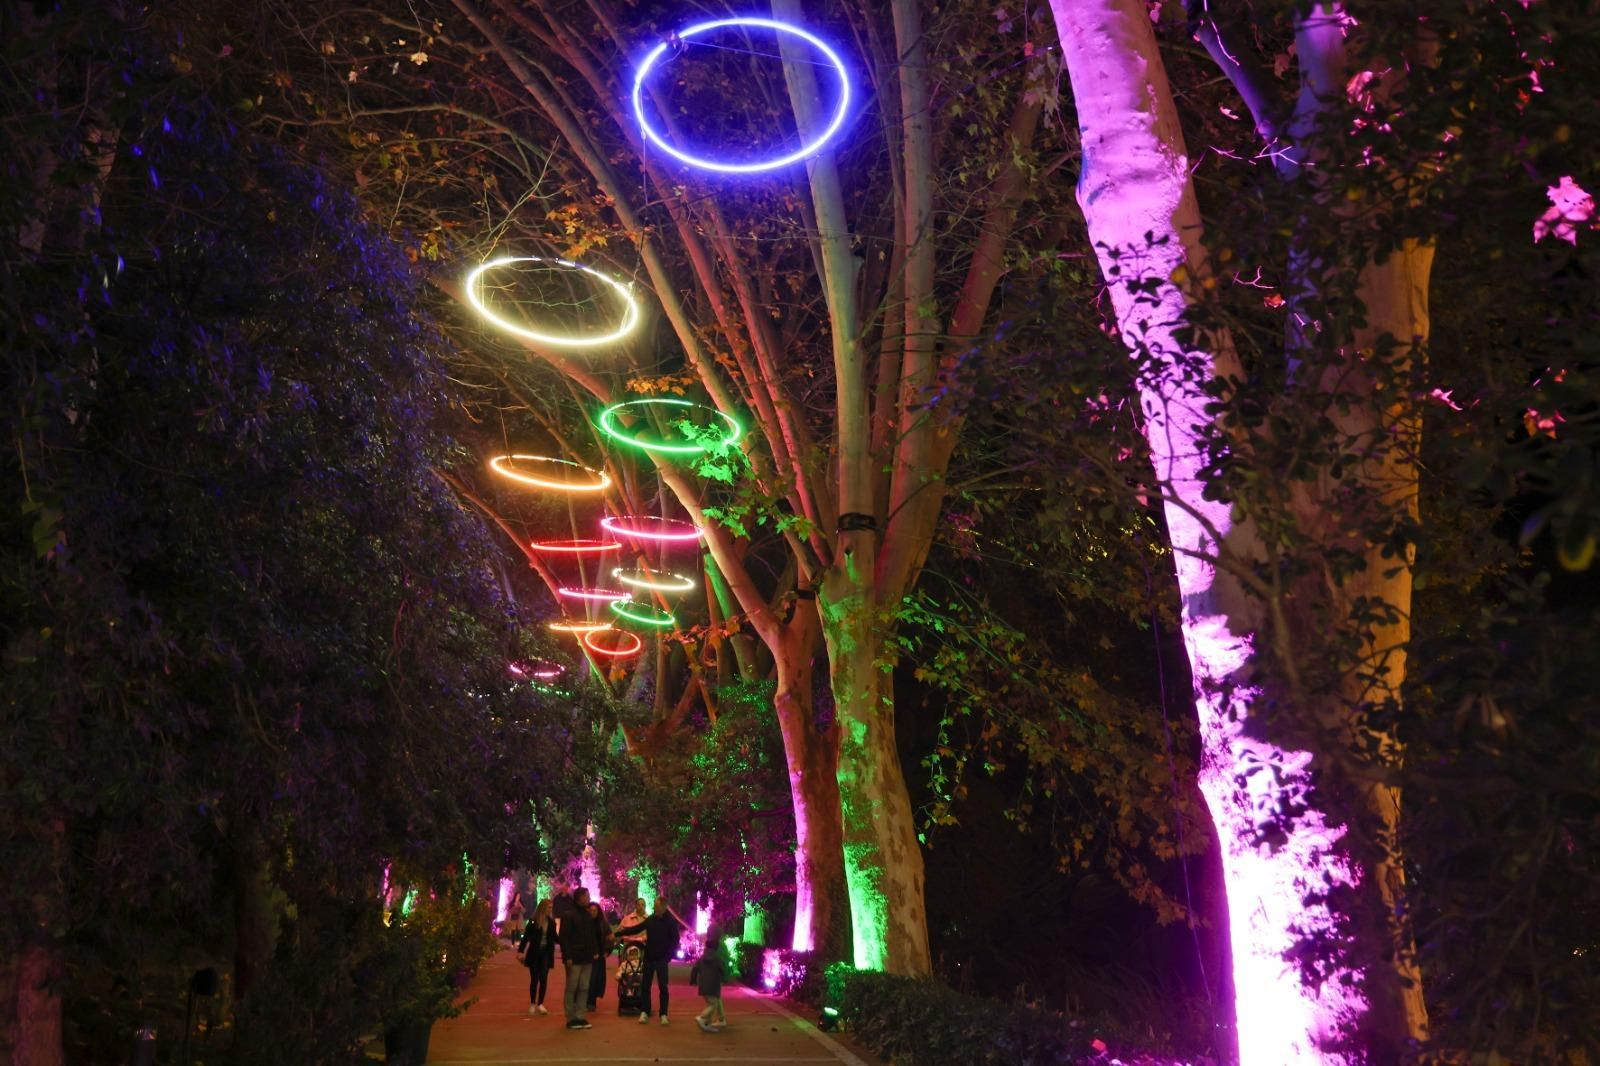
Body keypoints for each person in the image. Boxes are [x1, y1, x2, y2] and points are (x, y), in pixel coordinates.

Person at [615, 896, 680, 1025]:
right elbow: (636, 929)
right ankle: (644, 1011)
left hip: (662, 959)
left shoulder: (670, 922)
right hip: (649, 957)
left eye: (656, 906)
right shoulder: (651, 919)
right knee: (645, 985)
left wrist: (669, 956)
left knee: (663, 987)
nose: (654, 908)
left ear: (663, 906)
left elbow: (675, 940)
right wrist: (618, 933)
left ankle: (663, 1014)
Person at [556, 887, 601, 1030]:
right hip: (574, 958)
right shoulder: (568, 915)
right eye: (586, 896)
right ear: (579, 898)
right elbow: (564, 938)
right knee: (572, 987)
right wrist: (567, 955)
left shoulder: (588, 916)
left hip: (587, 957)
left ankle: (581, 1016)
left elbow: (591, 935)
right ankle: (570, 1017)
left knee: (584, 987)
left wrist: (595, 951)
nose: (588, 898)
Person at [517, 899, 557, 1016]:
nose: (550, 910)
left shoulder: (551, 922)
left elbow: (555, 937)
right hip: (534, 953)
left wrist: (567, 943)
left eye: (551, 908)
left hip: (546, 953)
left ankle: (540, 1003)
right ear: (543, 908)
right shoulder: (533, 921)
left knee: (544, 978)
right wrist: (520, 951)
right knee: (534, 979)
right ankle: (532, 1003)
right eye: (548, 907)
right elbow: (526, 938)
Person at [692, 933, 727, 1033]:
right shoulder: (717, 959)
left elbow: (695, 968)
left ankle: (708, 1023)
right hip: (714, 985)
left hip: (703, 985)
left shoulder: (701, 958)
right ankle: (702, 1018)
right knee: (713, 1004)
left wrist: (693, 980)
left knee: (713, 1002)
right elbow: (722, 970)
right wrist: (725, 979)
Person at [584, 901, 614, 1011]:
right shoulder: (585, 923)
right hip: (587, 955)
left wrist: (607, 951)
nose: (592, 912)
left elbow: (610, 937)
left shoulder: (602, 923)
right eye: (591, 910)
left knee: (595, 979)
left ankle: (591, 1002)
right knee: (586, 979)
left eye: (595, 910)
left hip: (599, 956)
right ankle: (586, 1001)